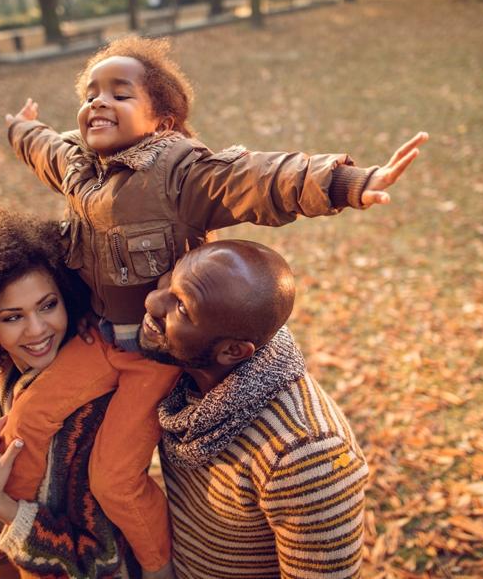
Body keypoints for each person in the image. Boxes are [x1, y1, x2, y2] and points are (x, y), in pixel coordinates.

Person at [0, 36, 425, 577]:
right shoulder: (80, 168)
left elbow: (257, 179)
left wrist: (346, 183)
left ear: (163, 122)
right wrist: (19, 127)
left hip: (153, 356)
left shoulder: (179, 174)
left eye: (120, 94)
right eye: (90, 93)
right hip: (99, 338)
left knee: (112, 474)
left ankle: (153, 566)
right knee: (28, 414)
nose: (98, 103)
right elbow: (44, 148)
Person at [0, 205, 138, 579]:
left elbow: (98, 558)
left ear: (67, 296)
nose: (36, 330)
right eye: (12, 317)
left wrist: (3, 507)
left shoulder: (93, 405)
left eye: (48, 306)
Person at [138, 239, 369, 578]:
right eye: (170, 283)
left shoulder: (304, 454)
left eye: (182, 308)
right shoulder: (185, 377)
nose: (153, 302)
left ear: (233, 352)